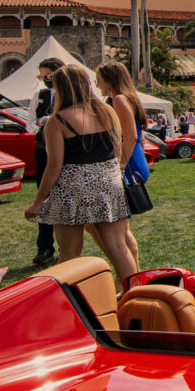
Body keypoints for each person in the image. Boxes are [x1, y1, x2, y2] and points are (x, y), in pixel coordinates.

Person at [24, 66, 136, 285]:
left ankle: (69, 303)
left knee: (69, 253)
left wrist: (38, 202)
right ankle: (135, 293)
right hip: (108, 183)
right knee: (119, 247)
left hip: (72, 188)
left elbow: (54, 166)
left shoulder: (57, 121)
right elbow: (117, 150)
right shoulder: (106, 111)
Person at [96, 61, 146, 276]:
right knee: (123, 229)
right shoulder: (129, 98)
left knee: (119, 230)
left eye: (99, 79)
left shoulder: (118, 99)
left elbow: (131, 136)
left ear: (109, 79)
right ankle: (131, 275)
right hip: (134, 160)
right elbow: (139, 136)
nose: (97, 84)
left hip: (127, 163)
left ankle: (127, 275)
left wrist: (120, 166)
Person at [29, 56, 65, 267]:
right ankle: (45, 247)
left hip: (65, 150)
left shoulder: (70, 95)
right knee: (43, 195)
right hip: (43, 148)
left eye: (47, 76)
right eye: (41, 76)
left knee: (63, 195)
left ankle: (66, 247)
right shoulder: (39, 96)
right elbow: (29, 125)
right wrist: (42, 123)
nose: (44, 80)